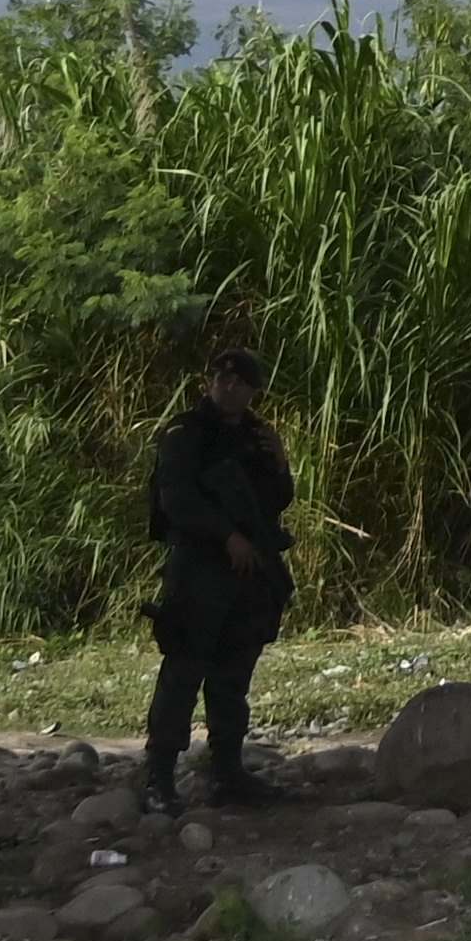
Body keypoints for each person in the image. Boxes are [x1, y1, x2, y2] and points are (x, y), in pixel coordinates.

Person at [140, 346, 294, 815]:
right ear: (211, 382)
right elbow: (177, 497)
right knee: (184, 669)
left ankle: (228, 771)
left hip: (248, 572)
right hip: (201, 565)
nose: (230, 388)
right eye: (223, 379)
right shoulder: (187, 433)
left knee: (233, 674)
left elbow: (278, 499)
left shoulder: (256, 436)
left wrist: (282, 463)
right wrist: (226, 535)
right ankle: (159, 777)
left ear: (253, 390)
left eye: (241, 382)